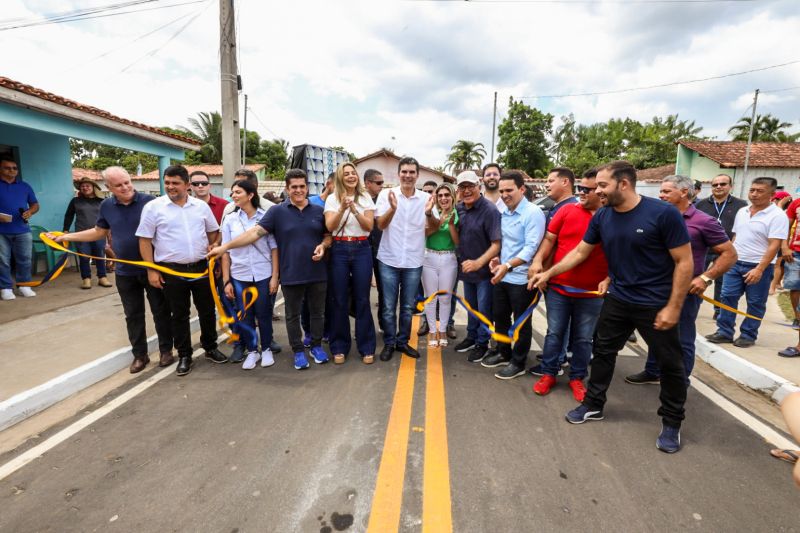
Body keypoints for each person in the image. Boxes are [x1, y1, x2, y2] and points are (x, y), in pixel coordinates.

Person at [530, 161, 693, 454]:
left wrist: (673, 306)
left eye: (603, 185)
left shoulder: (663, 214)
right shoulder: (603, 216)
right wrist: (548, 272)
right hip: (618, 298)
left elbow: (684, 262)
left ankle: (671, 423)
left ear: (624, 184)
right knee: (603, 353)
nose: (597, 191)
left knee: (671, 365)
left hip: (656, 302)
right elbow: (581, 251)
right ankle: (593, 404)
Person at [51, 167, 174, 373]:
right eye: (119, 185)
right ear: (108, 188)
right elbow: (99, 231)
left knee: (160, 311)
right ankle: (140, 355)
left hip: (152, 269)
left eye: (127, 182)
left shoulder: (151, 203)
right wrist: (66, 237)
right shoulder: (106, 206)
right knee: (132, 314)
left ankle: (166, 351)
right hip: (124, 271)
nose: (125, 187)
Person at [209, 169, 332, 370]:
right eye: (294, 187)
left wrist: (324, 245)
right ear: (287, 188)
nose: (298, 190)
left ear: (307, 187)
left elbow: (328, 235)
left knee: (318, 312)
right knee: (292, 315)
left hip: (317, 272)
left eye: (302, 186)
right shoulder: (277, 212)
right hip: (290, 272)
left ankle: (317, 346)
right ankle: (298, 351)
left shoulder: (319, 211)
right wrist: (225, 247)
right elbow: (255, 233)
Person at [626, 175, 736, 385]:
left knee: (681, 336)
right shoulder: (658, 217)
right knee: (656, 331)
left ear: (684, 192)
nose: (661, 195)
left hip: (685, 290)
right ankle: (653, 370)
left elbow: (730, 254)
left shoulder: (703, 221)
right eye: (661, 191)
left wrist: (705, 277)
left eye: (667, 191)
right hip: (655, 288)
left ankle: (680, 381)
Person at [137, 165, 228, 377]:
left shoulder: (200, 207)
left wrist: (214, 249)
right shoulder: (153, 208)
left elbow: (214, 233)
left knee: (206, 310)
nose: (170, 187)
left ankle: (210, 347)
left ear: (187, 185)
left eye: (175, 183)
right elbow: (144, 240)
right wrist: (152, 270)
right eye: (167, 182)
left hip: (201, 268)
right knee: (179, 314)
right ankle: (185, 354)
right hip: (171, 270)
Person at [525, 168, 608, 400]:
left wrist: (609, 278)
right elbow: (550, 239)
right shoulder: (567, 211)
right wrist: (539, 260)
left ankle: (577, 378)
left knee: (583, 338)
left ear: (600, 192)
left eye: (587, 190)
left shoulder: (609, 217)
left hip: (591, 293)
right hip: (559, 288)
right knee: (554, 333)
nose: (581, 193)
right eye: (580, 188)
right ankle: (549, 373)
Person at [705, 177, 788, 348]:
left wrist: (759, 269)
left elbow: (774, 245)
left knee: (755, 302)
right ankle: (724, 332)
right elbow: (736, 237)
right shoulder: (742, 211)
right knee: (727, 297)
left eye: (760, 191)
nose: (754, 194)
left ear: (772, 194)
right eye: (752, 190)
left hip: (759, 266)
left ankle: (748, 335)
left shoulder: (778, 216)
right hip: (735, 263)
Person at [483, 171, 545, 380]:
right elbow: (506, 243)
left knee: (520, 323)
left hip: (522, 279)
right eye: (501, 191)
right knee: (500, 318)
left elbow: (531, 247)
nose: (504, 194)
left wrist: (508, 265)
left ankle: (518, 362)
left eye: (509, 190)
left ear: (522, 189)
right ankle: (503, 352)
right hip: (503, 275)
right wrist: (499, 259)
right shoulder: (505, 213)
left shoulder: (533, 212)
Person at [221, 167, 282, 359]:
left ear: (250, 194)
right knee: (245, 315)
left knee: (263, 313)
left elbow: (274, 248)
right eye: (232, 192)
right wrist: (226, 281)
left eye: (238, 192)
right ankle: (252, 351)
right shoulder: (229, 218)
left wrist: (274, 277)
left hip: (263, 273)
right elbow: (225, 252)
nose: (233, 196)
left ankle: (266, 349)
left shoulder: (267, 215)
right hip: (239, 274)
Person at [375, 156, 428, 361]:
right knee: (388, 307)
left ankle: (402, 342)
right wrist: (393, 208)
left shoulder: (425, 199)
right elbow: (380, 225)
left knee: (407, 307)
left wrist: (430, 215)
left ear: (417, 175)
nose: (407, 175)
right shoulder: (386, 195)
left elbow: (430, 229)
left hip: (414, 260)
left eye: (411, 172)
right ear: (399, 174)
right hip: (389, 259)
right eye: (404, 172)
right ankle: (389, 343)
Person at [324, 162, 377, 364]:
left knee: (363, 299)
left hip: (362, 248)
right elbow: (330, 225)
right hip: (339, 249)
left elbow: (369, 226)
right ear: (340, 177)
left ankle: (366, 347)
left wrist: (354, 209)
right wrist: (341, 208)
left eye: (353, 173)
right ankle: (339, 346)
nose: (350, 176)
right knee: (338, 299)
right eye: (346, 174)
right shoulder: (331, 198)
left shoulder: (365, 198)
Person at [453, 170, 501, 363]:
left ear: (478, 187)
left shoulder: (489, 210)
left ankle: (482, 342)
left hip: (484, 272)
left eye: (470, 186)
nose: (467, 191)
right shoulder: (460, 208)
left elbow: (496, 244)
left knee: (483, 309)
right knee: (472, 308)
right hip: (467, 271)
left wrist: (478, 262)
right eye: (462, 187)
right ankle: (472, 337)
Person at [695, 173, 748, 318]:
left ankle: (718, 310)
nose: (718, 187)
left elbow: (743, 228)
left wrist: (733, 246)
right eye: (715, 184)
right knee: (698, 277)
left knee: (721, 282)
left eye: (723, 184)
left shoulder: (741, 205)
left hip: (726, 250)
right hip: (704, 249)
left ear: (731, 186)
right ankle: (693, 304)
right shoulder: (701, 204)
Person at [421, 182, 459, 347]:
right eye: (440, 195)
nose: (444, 198)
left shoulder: (457, 213)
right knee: (430, 298)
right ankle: (432, 330)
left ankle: (442, 329)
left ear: (452, 197)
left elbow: (457, 242)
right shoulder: (430, 211)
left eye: (447, 195)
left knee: (445, 298)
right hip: (429, 257)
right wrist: (437, 221)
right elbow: (426, 233)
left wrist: (450, 224)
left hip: (449, 258)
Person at [0, 156, 38, 300]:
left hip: (22, 229)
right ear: (0, 169)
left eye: (14, 168)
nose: (12, 170)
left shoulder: (24, 186)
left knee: (25, 259)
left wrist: (30, 211)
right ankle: (5, 288)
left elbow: (35, 204)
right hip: (1, 231)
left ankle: (24, 285)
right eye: (7, 168)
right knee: (3, 260)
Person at [63, 177, 112, 289]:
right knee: (84, 256)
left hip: (99, 232)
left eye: (87, 186)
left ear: (93, 187)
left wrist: (109, 230)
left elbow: (108, 216)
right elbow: (69, 215)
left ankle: (102, 277)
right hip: (81, 233)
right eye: (83, 186)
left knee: (100, 255)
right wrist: (65, 230)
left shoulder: (102, 201)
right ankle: (86, 279)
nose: (85, 188)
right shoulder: (75, 201)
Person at [364, 169, 386, 331]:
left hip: (381, 250)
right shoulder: (359, 199)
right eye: (378, 183)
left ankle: (384, 324)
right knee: (362, 291)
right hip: (361, 250)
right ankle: (364, 327)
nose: (381, 186)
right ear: (367, 183)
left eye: (382, 183)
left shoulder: (383, 200)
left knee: (384, 291)